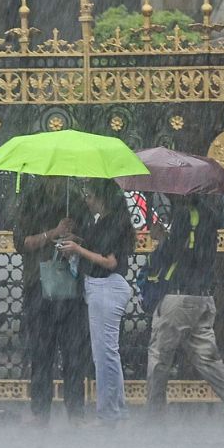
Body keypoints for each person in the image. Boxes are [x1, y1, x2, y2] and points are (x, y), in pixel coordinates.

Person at [144, 193, 224, 423]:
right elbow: (199, 254)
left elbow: (175, 254)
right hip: (203, 297)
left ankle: (154, 416)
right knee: (208, 359)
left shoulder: (185, 215)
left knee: (159, 358)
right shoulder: (211, 216)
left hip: (178, 296)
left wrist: (161, 240)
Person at [58, 179, 135, 424]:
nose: (87, 201)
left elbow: (109, 261)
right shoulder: (103, 222)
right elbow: (98, 249)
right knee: (107, 353)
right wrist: (77, 242)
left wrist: (79, 251)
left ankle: (108, 413)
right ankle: (116, 409)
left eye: (90, 195)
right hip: (101, 288)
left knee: (104, 355)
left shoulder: (112, 222)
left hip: (106, 287)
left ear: (102, 198)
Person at [13, 176, 88, 424]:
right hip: (38, 284)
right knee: (41, 352)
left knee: (73, 353)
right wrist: (52, 233)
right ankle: (40, 410)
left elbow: (89, 239)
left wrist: (73, 241)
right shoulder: (32, 201)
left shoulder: (75, 201)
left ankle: (76, 411)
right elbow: (22, 242)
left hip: (70, 287)